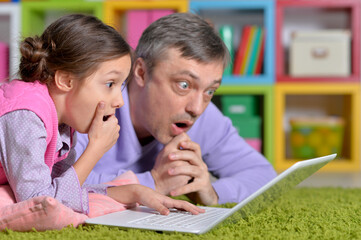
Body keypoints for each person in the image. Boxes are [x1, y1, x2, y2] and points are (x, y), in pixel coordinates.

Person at [0, 14, 204, 216]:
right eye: (110, 84)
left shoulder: (63, 121)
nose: (119, 101)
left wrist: (133, 191)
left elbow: (65, 187)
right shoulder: (26, 114)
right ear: (65, 80)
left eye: (120, 85)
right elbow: (39, 203)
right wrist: (95, 149)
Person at [76, 13, 277, 206]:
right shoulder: (92, 104)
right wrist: (153, 182)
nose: (197, 108)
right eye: (183, 85)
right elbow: (54, 184)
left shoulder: (203, 117)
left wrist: (214, 192)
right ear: (141, 72)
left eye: (210, 91)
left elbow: (263, 174)